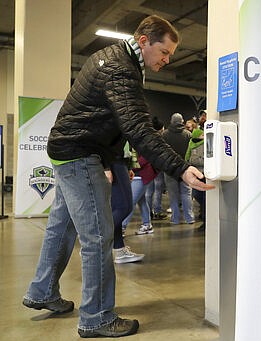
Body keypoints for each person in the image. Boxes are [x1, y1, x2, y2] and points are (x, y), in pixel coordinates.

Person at [22, 15, 213, 338]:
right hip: (80, 153)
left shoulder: (111, 59)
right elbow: (138, 129)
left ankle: (42, 292)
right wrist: (180, 168)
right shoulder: (121, 69)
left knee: (62, 226)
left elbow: (105, 119)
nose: (167, 60)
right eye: (164, 52)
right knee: (98, 236)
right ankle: (96, 316)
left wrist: (109, 162)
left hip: (67, 149)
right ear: (143, 41)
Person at [109, 142, 145, 263]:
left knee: (116, 208)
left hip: (119, 160)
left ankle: (119, 249)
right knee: (124, 207)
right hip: (114, 160)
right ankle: (94, 242)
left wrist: (128, 166)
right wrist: (106, 167)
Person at [162, 113, 195, 224]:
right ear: (182, 121)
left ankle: (175, 219)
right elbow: (191, 152)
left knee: (173, 194)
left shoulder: (165, 134)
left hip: (170, 168)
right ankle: (189, 218)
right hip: (184, 168)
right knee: (186, 193)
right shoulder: (188, 134)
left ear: (171, 121)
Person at [123, 151, 158, 235]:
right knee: (141, 201)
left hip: (141, 176)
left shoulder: (144, 144)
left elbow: (142, 161)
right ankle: (147, 225)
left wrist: (128, 167)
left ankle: (121, 227)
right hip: (138, 175)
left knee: (131, 201)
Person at [145, 117, 167, 220]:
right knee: (158, 190)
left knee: (148, 192)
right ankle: (157, 211)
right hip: (158, 168)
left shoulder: (146, 137)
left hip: (147, 167)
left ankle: (148, 213)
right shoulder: (161, 138)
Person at [186, 128, 206, 231]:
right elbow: (188, 157)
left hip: (203, 174)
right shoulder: (191, 143)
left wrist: (193, 161)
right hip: (195, 174)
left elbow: (204, 159)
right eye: (202, 134)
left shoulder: (206, 143)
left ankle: (205, 218)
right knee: (197, 195)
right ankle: (203, 215)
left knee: (203, 197)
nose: (203, 136)